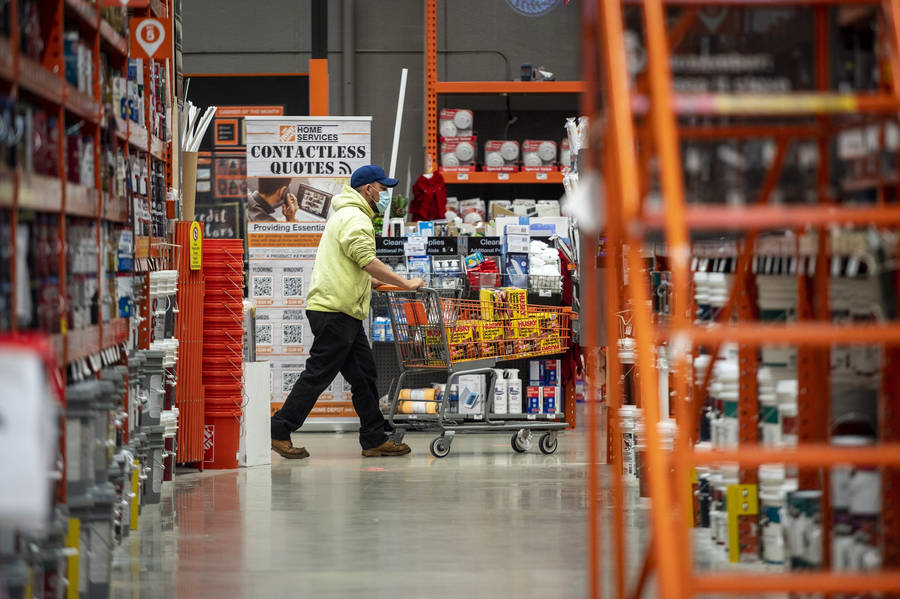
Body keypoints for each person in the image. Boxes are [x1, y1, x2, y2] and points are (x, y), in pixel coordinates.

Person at [271, 165, 425, 459]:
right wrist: (404, 283)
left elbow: (352, 264)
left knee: (364, 375)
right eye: (383, 189)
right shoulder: (355, 217)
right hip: (335, 311)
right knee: (318, 374)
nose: (384, 195)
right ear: (369, 189)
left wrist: (375, 283)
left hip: (342, 311)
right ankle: (279, 429)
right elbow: (366, 259)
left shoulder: (345, 215)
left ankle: (374, 438)